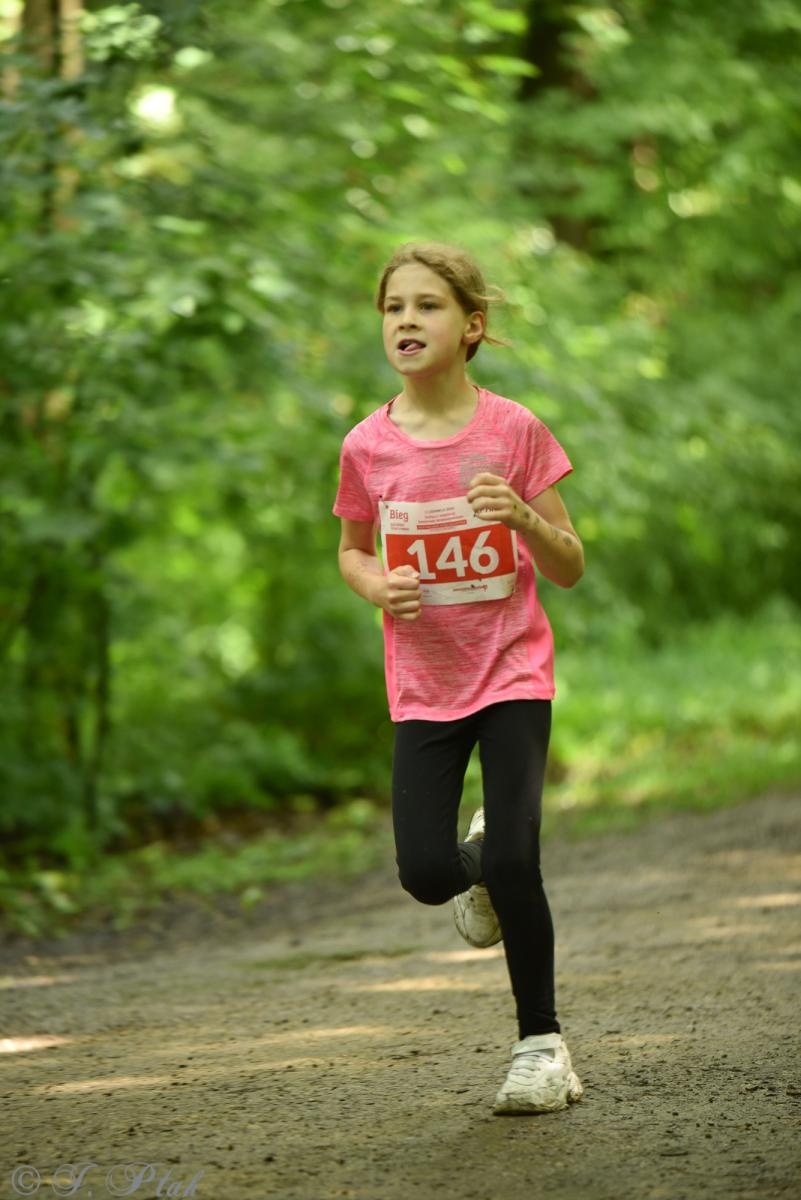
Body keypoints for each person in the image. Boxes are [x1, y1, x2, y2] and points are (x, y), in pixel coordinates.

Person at [332, 241, 584, 1115]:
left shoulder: (512, 431)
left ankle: (541, 1048)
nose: (405, 319)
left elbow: (570, 566)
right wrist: (378, 585)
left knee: (518, 860)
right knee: (428, 872)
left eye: (427, 305)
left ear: (470, 326)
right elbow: (352, 550)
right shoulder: (367, 445)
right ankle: (475, 866)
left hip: (512, 669)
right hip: (424, 684)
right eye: (393, 306)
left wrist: (521, 516)